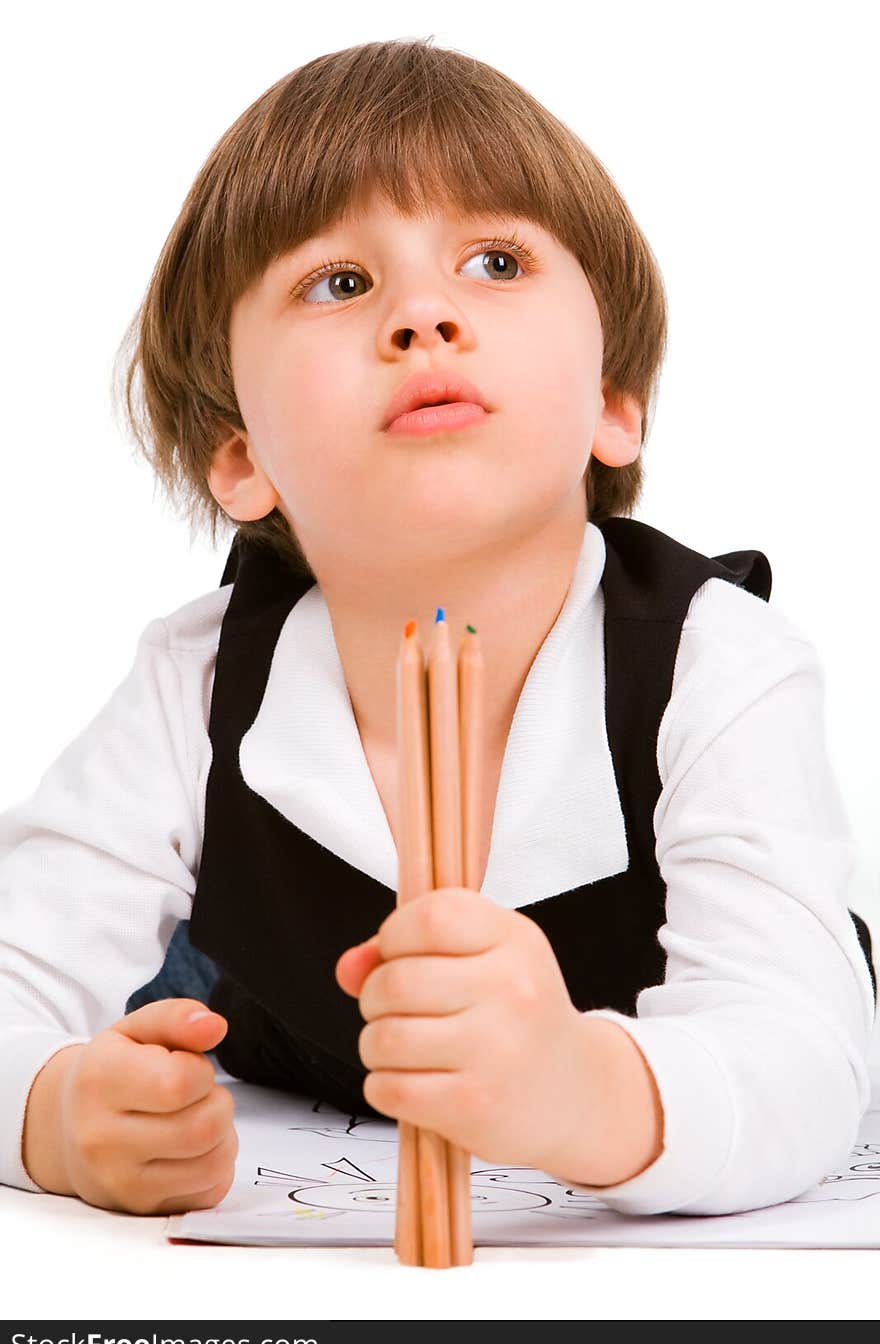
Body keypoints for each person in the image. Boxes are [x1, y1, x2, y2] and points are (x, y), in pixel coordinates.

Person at [2, 37, 874, 1221]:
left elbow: (802, 1055)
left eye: (495, 260)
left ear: (614, 404)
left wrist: (582, 1092)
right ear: (244, 458)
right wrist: (53, 1111)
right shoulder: (197, 684)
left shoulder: (716, 662)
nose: (423, 314)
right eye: (340, 283)